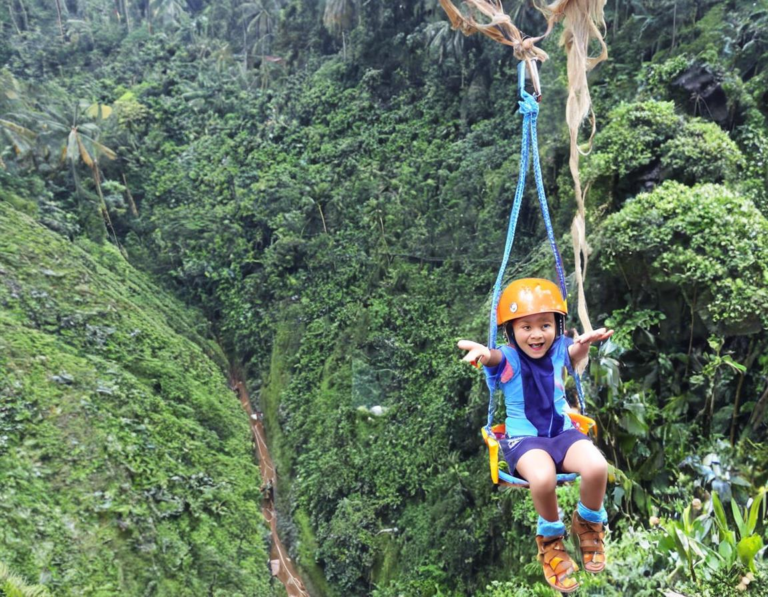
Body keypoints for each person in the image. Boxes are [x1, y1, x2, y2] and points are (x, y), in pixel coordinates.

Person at [458, 278, 612, 594]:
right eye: (525, 327)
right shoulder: (509, 357)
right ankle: (551, 540)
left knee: (597, 468)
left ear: (557, 326)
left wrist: (585, 343)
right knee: (542, 479)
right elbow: (493, 358)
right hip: (524, 441)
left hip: (562, 432)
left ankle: (588, 523)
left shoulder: (558, 352)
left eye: (544, 324)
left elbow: (573, 350)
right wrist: (482, 354)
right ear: (511, 332)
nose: (536, 334)